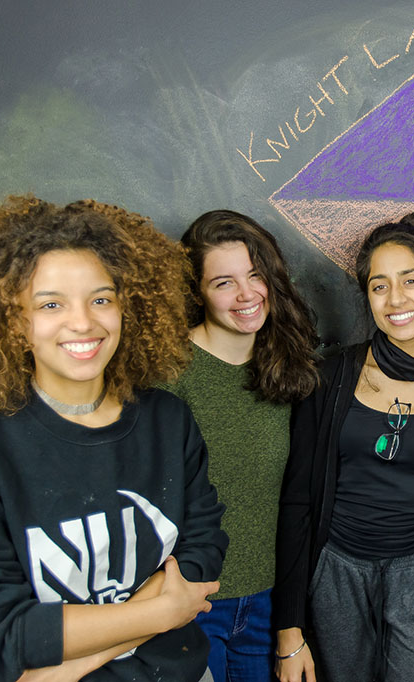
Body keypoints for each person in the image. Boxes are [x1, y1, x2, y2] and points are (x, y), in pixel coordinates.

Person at [0, 196, 228, 682]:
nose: (83, 322)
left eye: (101, 299)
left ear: (128, 308)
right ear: (14, 323)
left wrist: (69, 665)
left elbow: (204, 549)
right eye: (50, 304)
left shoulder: (169, 420)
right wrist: (160, 613)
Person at [273, 213, 414, 682]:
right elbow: (297, 502)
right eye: (379, 286)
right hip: (335, 573)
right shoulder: (330, 378)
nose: (396, 299)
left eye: (411, 281)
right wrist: (289, 628)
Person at [163, 210, 319, 682]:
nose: (247, 294)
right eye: (224, 282)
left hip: (269, 607)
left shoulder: (289, 367)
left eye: (255, 275)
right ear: (199, 293)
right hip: (190, 605)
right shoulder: (170, 374)